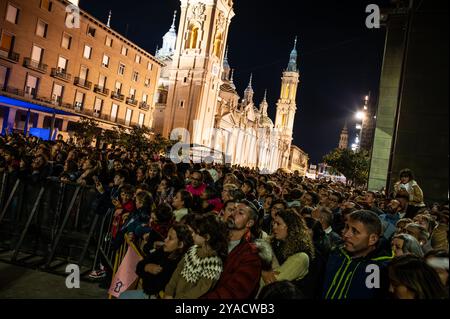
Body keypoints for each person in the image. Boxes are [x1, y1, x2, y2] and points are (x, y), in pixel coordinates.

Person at [322, 210, 393, 299]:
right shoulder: (336, 252)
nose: (346, 234)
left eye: (355, 231)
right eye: (347, 227)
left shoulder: (383, 269)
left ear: (373, 239)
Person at [202, 200, 262, 299]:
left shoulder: (251, 254)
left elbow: (234, 292)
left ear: (249, 223)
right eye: (233, 210)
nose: (233, 213)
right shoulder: (216, 236)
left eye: (240, 212)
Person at [120, 224, 194, 299]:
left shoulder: (178, 263)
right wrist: (146, 267)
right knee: (123, 296)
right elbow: (139, 266)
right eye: (167, 236)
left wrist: (146, 269)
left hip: (156, 296)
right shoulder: (163, 250)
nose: (165, 240)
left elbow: (152, 286)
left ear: (180, 244)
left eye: (170, 238)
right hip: (148, 293)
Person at [164, 213, 227, 299]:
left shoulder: (214, 263)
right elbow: (178, 271)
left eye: (196, 232)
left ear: (206, 237)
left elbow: (200, 290)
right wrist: (169, 292)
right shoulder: (193, 249)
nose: (192, 235)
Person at [262, 210, 314, 287]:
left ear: (291, 227)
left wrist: (262, 269)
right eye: (274, 223)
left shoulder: (301, 257)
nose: (274, 227)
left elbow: (273, 282)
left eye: (278, 224)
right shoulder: (270, 243)